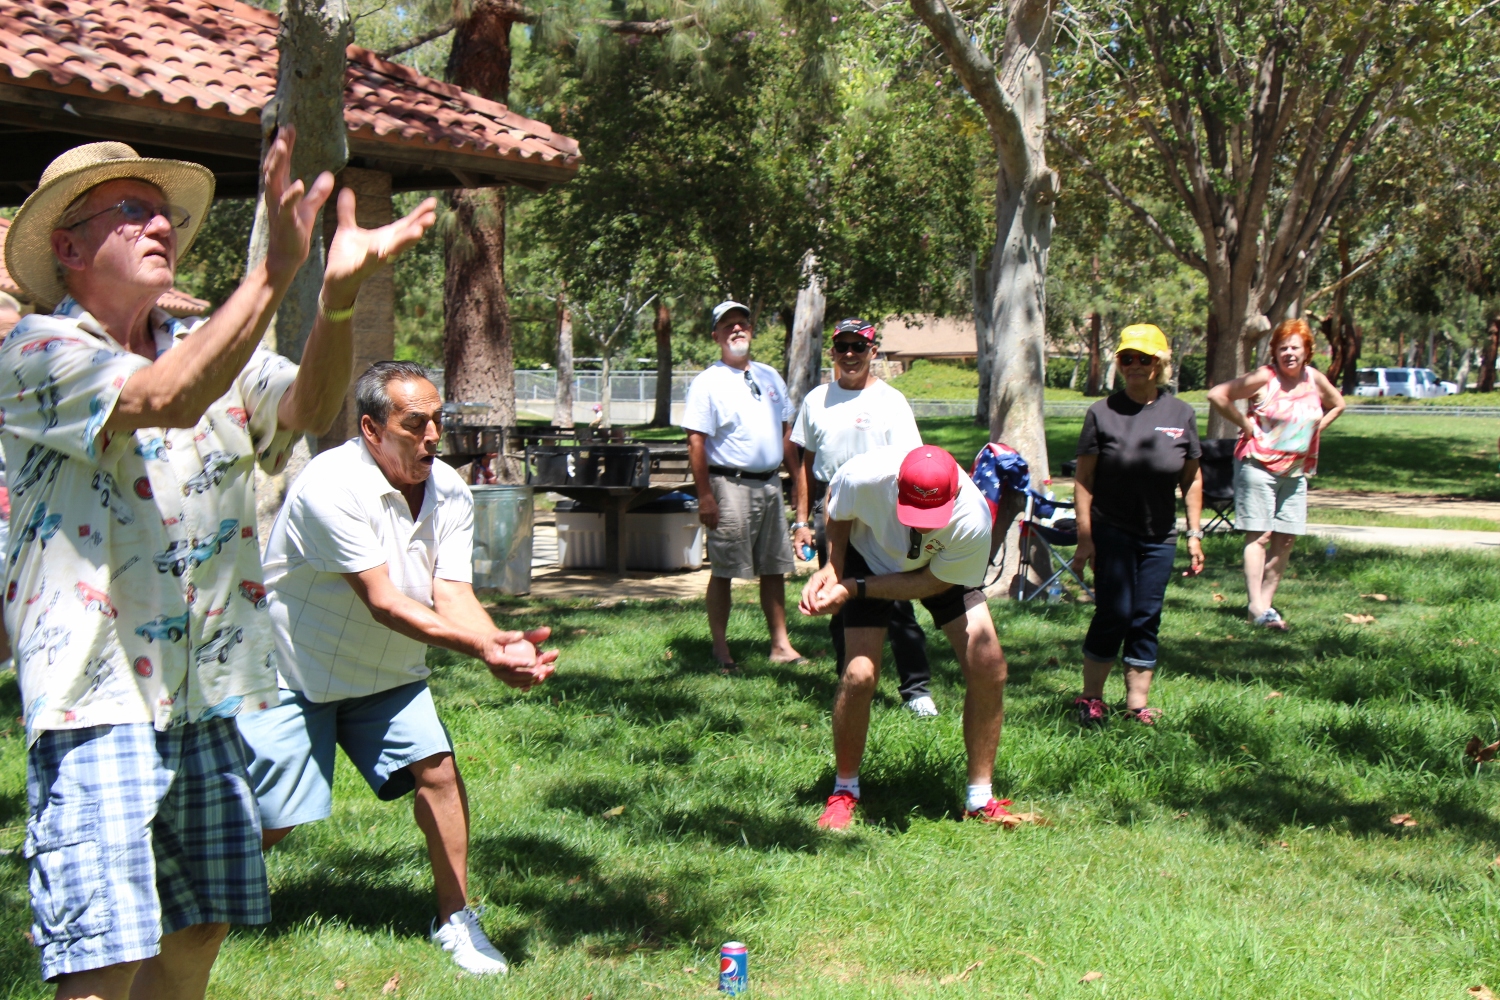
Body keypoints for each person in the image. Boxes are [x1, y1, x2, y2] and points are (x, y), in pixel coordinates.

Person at [0, 133, 436, 997]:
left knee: (197, 925)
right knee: (106, 953)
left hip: (205, 694)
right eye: (131, 208)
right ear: (69, 247)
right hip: (97, 700)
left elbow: (312, 408)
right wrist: (275, 270)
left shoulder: (204, 339)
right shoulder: (35, 355)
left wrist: (337, 304)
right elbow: (165, 396)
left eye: (162, 208)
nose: (159, 221)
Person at [236, 361, 556, 976]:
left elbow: (452, 595)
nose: (433, 435)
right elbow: (383, 602)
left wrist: (502, 645)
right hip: (297, 670)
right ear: (371, 429)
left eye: (437, 420)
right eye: (415, 423)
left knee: (439, 774)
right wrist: (482, 650)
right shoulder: (330, 484)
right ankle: (188, 896)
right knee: (276, 816)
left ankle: (457, 920)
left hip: (389, 673)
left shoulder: (451, 490)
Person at [799, 445, 1012, 829]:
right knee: (858, 676)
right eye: (915, 512)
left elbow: (931, 583)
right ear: (897, 485)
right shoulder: (864, 474)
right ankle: (844, 791)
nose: (924, 524)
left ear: (955, 494)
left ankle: (980, 798)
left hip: (937, 570)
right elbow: (838, 508)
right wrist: (834, 566)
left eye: (934, 515)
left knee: (990, 667)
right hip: (866, 557)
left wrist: (854, 589)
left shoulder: (973, 516)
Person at [791, 318, 935, 716]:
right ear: (833, 352)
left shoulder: (892, 401)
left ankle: (916, 690)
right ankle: (849, 681)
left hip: (880, 511)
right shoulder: (816, 400)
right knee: (835, 595)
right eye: (843, 347)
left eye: (859, 346)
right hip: (831, 509)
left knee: (897, 598)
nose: (850, 354)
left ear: (873, 352)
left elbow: (910, 462)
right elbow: (805, 463)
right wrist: (802, 520)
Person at [1070, 324, 1205, 727]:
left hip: (1160, 536)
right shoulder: (1102, 413)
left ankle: (1136, 704)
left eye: (1143, 359)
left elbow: (1192, 478)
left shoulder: (1180, 414)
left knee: (1147, 614)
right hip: (1111, 529)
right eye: (1126, 358)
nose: (1134, 366)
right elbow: (1084, 479)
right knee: (1116, 611)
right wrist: (1084, 537)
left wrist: (1195, 533)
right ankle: (1091, 699)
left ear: (1160, 363)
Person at [683, 301, 804, 670]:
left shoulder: (769, 376)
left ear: (751, 330)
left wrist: (797, 482)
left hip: (769, 485)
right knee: (724, 570)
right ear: (715, 335)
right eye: (728, 325)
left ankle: (780, 645)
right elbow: (696, 442)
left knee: (773, 568)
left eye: (743, 324)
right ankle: (721, 650)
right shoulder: (708, 382)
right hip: (728, 486)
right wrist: (705, 495)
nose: (737, 330)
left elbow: (786, 435)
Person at [1207, 318, 1344, 630]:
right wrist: (1245, 424)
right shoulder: (1265, 377)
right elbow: (1217, 395)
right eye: (1283, 348)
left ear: (1307, 351)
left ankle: (1265, 605)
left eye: (1295, 347)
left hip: (1295, 471)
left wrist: (1314, 430)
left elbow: (1338, 404)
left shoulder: (1314, 379)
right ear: (1275, 352)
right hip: (1257, 465)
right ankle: (1256, 606)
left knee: (1285, 539)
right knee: (1259, 535)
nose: (1289, 353)